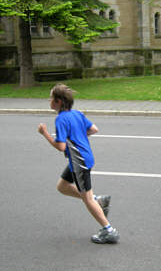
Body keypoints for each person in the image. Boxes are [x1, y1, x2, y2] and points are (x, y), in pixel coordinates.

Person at [38, 84, 119, 244]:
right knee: (62, 187)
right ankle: (99, 200)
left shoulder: (61, 119)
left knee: (87, 199)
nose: (49, 101)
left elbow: (61, 146)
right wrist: (78, 135)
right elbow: (94, 129)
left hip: (79, 163)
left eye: (51, 98)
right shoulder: (77, 114)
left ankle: (108, 230)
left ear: (59, 102)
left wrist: (45, 134)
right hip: (82, 158)